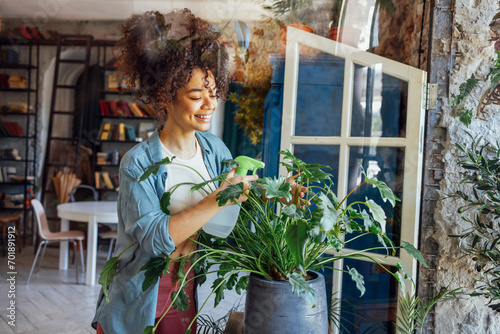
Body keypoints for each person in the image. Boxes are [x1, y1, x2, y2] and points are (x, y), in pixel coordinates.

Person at [92, 9, 258, 333]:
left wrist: (272, 194)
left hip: (195, 285)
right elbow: (156, 240)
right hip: (145, 292)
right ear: (166, 98)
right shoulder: (137, 163)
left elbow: (238, 202)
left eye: (213, 93)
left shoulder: (215, 150)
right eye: (197, 96)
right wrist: (218, 198)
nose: (209, 104)